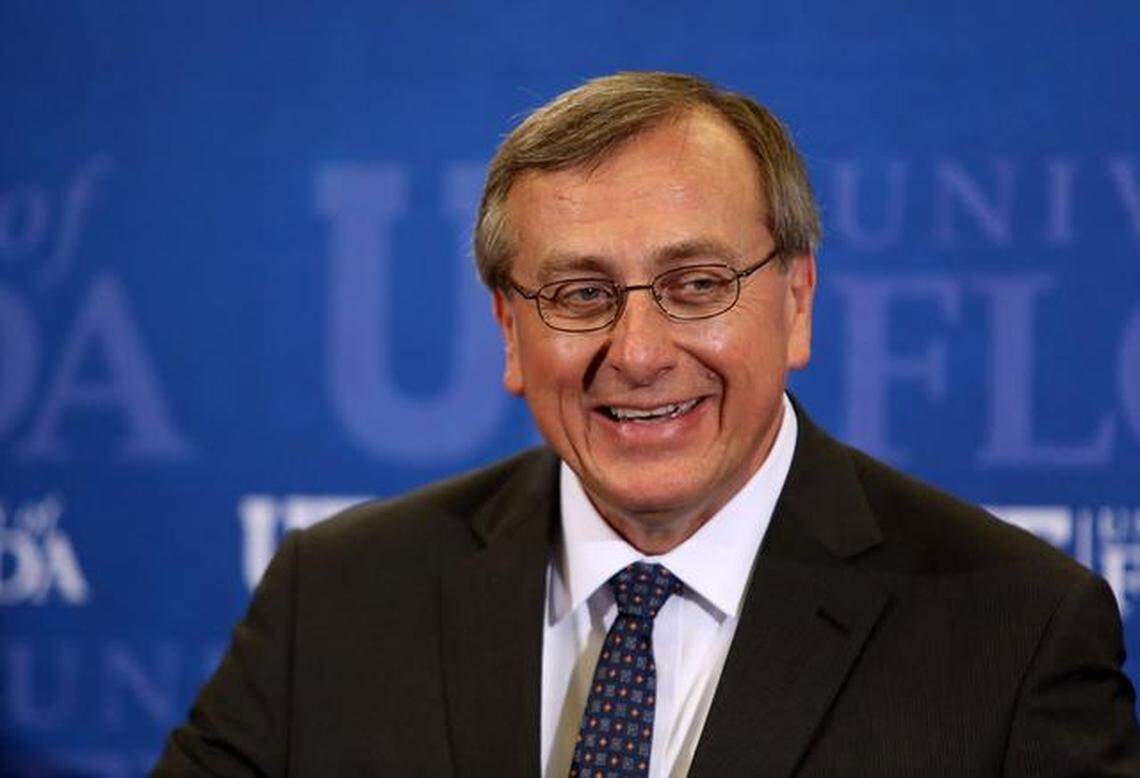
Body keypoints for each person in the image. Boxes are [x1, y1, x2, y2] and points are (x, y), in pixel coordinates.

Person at [153, 72, 1140, 777]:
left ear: (796, 300)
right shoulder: (334, 596)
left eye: (696, 284)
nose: (636, 350)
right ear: (508, 330)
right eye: (579, 293)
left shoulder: (1016, 630)